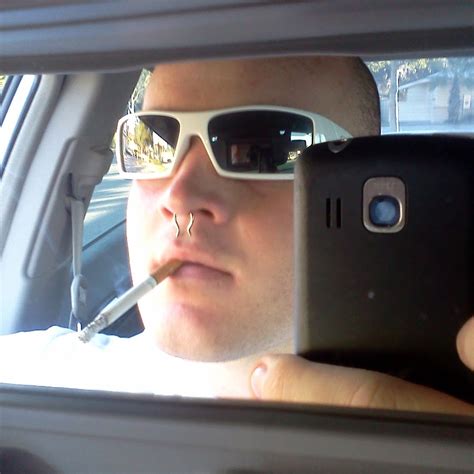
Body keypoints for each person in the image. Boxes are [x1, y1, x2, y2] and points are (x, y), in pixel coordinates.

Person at [1, 56, 473, 414]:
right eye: (155, 143)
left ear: (361, 182)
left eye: (262, 150)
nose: (179, 197)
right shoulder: (34, 388)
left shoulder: (445, 420)